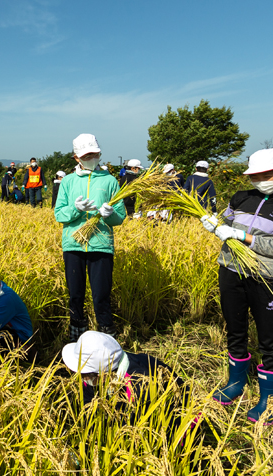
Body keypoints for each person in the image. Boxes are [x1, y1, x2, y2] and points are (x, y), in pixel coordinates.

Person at [201, 149, 273, 423]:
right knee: (235, 328)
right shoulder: (240, 197)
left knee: (269, 337)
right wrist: (214, 225)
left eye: (267, 174)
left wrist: (243, 236)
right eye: (255, 175)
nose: (260, 179)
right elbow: (226, 222)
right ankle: (236, 383)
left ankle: (270, 399)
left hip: (265, 277)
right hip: (231, 270)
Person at [55, 133, 127, 339]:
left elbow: (120, 216)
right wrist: (75, 209)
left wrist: (110, 215)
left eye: (94, 154)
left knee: (101, 295)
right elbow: (59, 214)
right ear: (76, 158)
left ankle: (107, 337)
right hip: (73, 244)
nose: (91, 159)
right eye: (86, 156)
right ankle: (76, 336)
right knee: (75, 295)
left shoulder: (110, 181)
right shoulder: (67, 181)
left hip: (101, 244)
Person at [62, 330, 169, 406]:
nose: (80, 377)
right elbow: (87, 402)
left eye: (83, 374)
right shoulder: (96, 371)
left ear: (102, 377)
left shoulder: (139, 387)